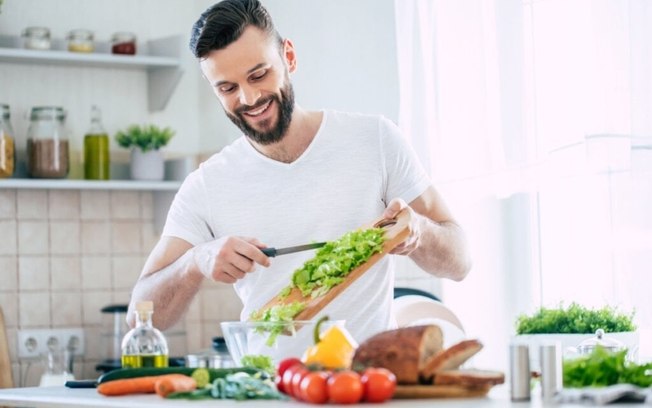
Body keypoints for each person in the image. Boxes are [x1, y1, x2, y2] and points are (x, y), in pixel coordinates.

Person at [127, 0, 472, 344]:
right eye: (227, 88)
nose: (249, 98)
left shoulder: (376, 141)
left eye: (259, 75)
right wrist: (194, 262)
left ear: (288, 57)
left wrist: (419, 233)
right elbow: (140, 316)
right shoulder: (206, 185)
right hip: (267, 390)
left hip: (367, 388)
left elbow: (460, 262)